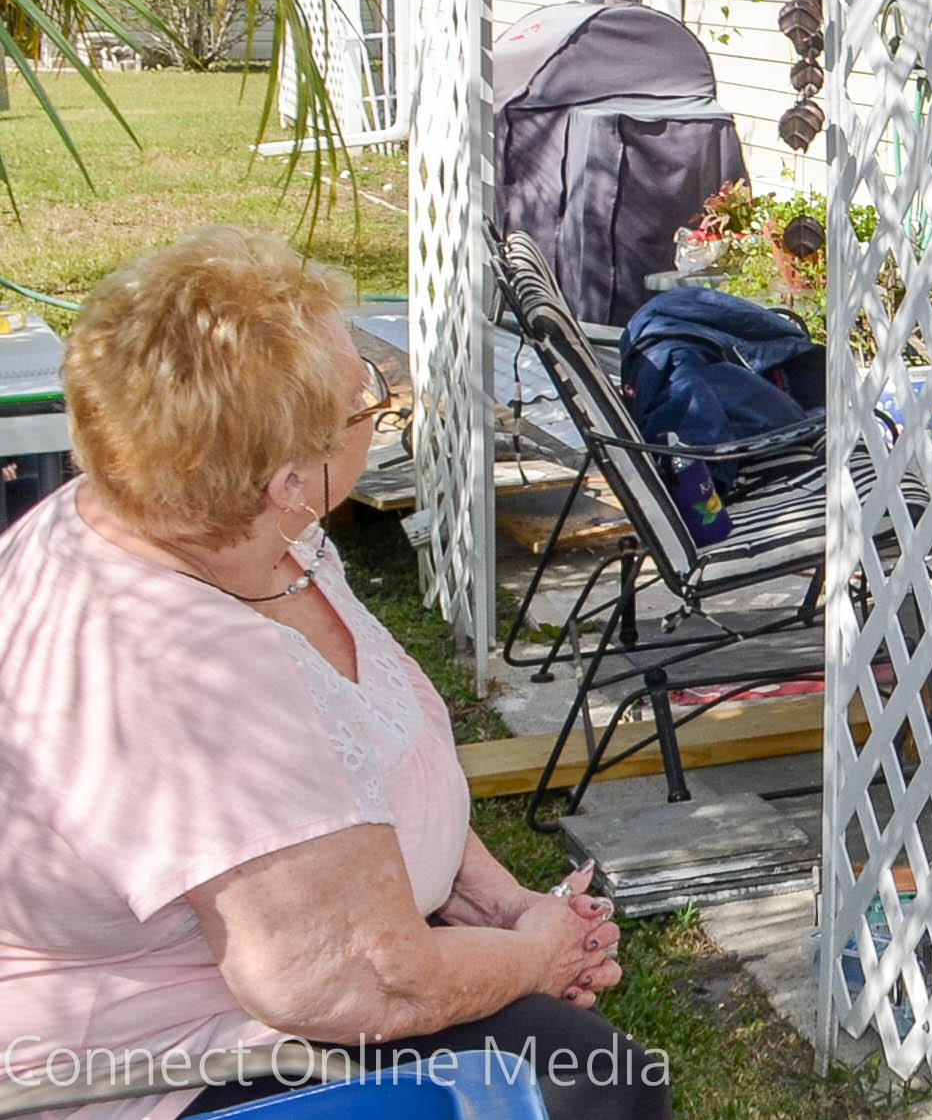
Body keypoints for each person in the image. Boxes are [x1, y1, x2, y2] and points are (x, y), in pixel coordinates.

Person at [0, 228, 657, 1120]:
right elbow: (360, 987)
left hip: (303, 956)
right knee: (593, 1081)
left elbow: (374, 759)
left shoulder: (232, 532)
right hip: (148, 1060)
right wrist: (535, 959)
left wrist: (499, 904)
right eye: (366, 401)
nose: (379, 408)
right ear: (288, 479)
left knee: (573, 1055)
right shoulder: (195, 673)